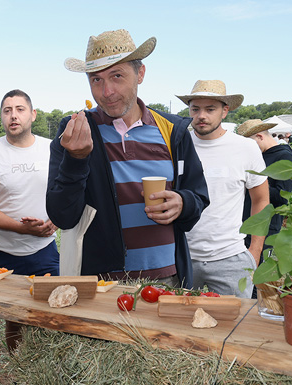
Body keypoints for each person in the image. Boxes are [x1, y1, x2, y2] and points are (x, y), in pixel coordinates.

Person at [47, 29, 209, 289]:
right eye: (96, 80)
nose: (107, 91)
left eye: (117, 76)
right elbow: (62, 216)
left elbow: (199, 196)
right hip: (102, 282)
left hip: (167, 279)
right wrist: (76, 159)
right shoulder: (75, 130)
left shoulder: (173, 130)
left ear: (141, 74)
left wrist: (182, 203)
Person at [0, 89, 58, 350]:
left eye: (20, 109)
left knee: (51, 313)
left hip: (43, 248)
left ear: (32, 115)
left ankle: (46, 370)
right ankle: (19, 368)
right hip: (3, 251)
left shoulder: (52, 149)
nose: (13, 115)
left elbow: (63, 193)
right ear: (1, 117)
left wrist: (55, 219)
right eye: (7, 110)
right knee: (14, 317)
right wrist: (24, 229)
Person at [176, 80, 269, 298]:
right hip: (183, 257)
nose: (201, 116)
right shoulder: (178, 145)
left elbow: (262, 200)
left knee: (235, 325)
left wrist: (254, 252)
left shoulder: (245, 148)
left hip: (231, 258)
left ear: (225, 111)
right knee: (179, 322)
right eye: (195, 109)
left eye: (210, 109)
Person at [237, 119, 292, 251]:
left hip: (266, 224)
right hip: (248, 219)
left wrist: (255, 184)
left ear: (260, 136)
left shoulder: (284, 156)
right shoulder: (260, 155)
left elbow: (282, 196)